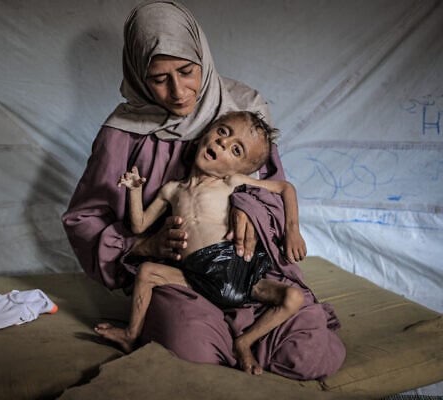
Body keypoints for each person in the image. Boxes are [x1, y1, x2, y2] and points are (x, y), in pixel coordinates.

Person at [62, 1, 346, 380]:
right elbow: (85, 219)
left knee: (308, 354)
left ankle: (244, 338)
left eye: (187, 71)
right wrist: (142, 246)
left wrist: (247, 207)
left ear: (203, 58)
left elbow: (275, 189)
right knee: (192, 352)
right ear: (137, 73)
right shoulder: (123, 131)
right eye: (158, 78)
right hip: (183, 279)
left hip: (249, 270)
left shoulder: (244, 111)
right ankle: (196, 333)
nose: (178, 92)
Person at [95, 111, 306, 375]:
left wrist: (292, 230)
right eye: (223, 132)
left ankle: (244, 342)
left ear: (241, 169)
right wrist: (135, 190)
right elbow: (139, 226)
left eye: (236, 150)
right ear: (204, 134)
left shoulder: (231, 182)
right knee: (147, 272)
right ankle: (131, 334)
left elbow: (286, 188)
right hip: (196, 278)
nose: (222, 142)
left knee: (293, 297)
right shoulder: (171, 189)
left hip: (239, 274)